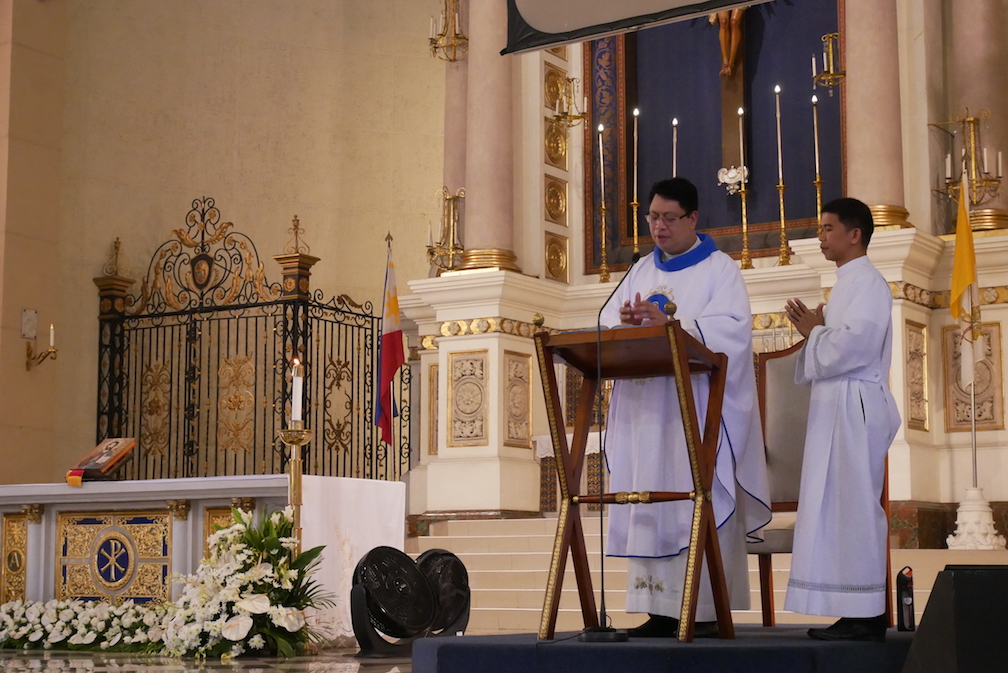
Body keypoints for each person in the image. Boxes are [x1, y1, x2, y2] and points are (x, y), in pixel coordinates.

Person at [599, 177, 771, 637]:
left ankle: (707, 611)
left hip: (692, 412)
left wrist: (676, 324)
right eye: (652, 217)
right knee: (652, 499)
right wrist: (628, 321)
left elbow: (733, 331)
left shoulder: (720, 269)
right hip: (647, 410)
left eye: (668, 218)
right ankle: (657, 611)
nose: (658, 227)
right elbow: (605, 319)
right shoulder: (639, 270)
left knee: (693, 497)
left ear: (692, 218)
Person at [783, 198, 901, 642]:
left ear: (855, 234)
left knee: (853, 509)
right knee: (837, 508)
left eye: (829, 228)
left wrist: (815, 331)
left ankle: (867, 615)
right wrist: (817, 329)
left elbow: (856, 346)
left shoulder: (868, 283)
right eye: (820, 228)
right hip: (839, 406)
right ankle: (851, 609)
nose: (821, 236)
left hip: (856, 407)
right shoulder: (847, 283)